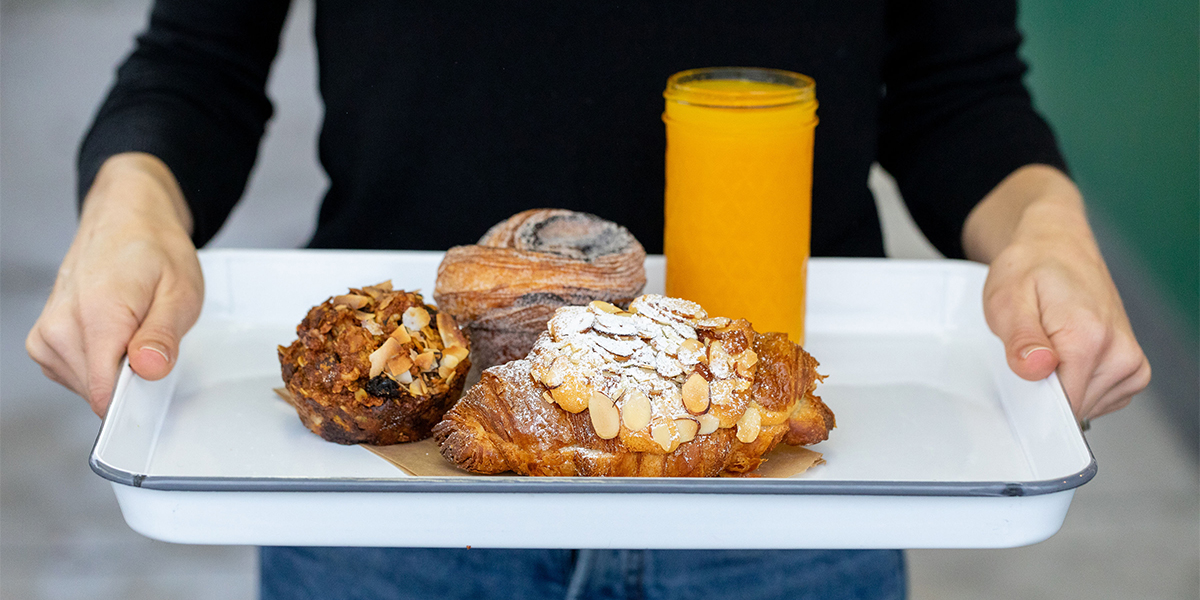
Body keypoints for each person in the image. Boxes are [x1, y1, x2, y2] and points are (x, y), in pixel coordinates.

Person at [27, 1, 1150, 599]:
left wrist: (1045, 233)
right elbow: (198, 65)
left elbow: (960, 94)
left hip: (786, 502)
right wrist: (131, 205)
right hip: (386, 511)